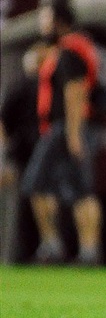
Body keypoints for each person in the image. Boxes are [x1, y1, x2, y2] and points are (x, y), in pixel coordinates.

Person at [21, 0, 104, 265]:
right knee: (81, 190)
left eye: (47, 19)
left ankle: (56, 246)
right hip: (71, 128)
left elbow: (73, 91)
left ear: (59, 21)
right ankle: (87, 250)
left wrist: (73, 133)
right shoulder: (75, 47)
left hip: (65, 129)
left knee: (36, 184)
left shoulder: (69, 51)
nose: (43, 24)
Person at [0, 42, 51, 262]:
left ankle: (39, 249)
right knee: (23, 205)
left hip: (35, 155)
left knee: (25, 204)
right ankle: (20, 254)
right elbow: (3, 122)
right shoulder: (24, 86)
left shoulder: (48, 87)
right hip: (25, 155)